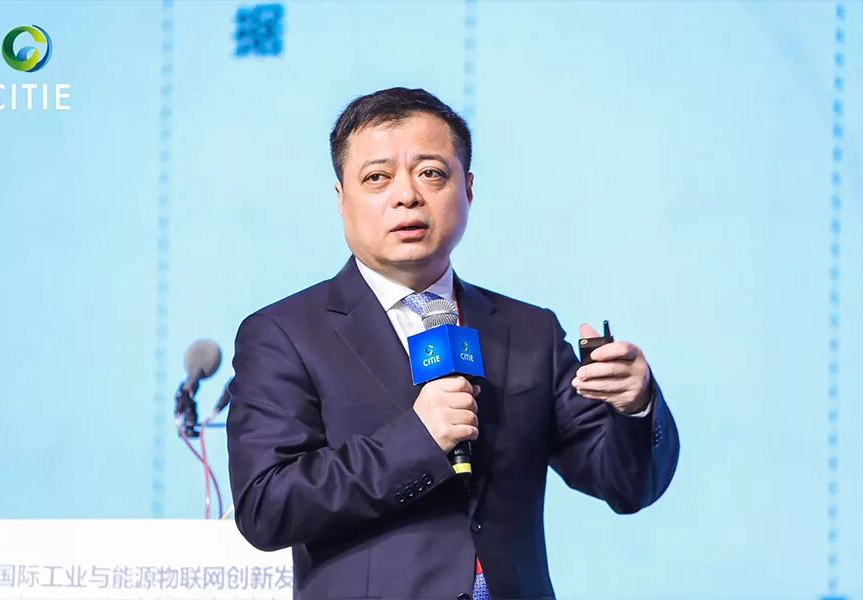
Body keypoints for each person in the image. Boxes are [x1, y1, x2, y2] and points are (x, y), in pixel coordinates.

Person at [226, 87, 679, 600]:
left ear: (468, 189)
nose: (406, 196)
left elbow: (626, 485)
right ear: (341, 199)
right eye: (377, 178)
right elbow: (266, 507)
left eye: (431, 173)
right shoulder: (286, 333)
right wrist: (416, 440)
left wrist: (636, 408)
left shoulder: (527, 330)